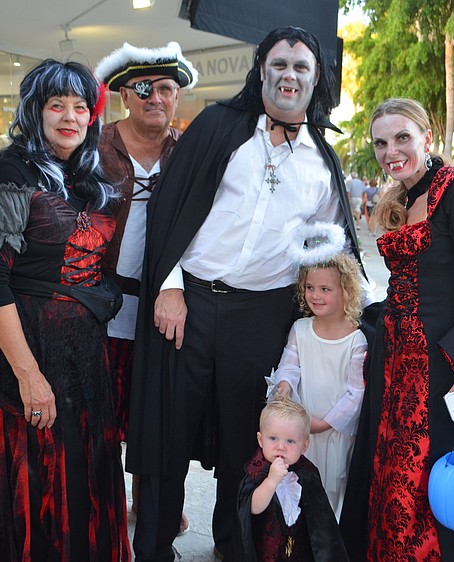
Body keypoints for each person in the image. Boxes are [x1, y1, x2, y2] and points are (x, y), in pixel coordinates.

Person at [126, 26, 366, 562]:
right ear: (262, 71)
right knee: (169, 438)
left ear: (316, 78)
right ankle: (154, 548)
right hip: (187, 305)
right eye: (279, 64)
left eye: (301, 67)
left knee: (248, 443)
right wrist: (167, 286)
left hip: (262, 314)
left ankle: (233, 548)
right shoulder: (217, 127)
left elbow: (336, 250)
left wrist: (361, 314)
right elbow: (167, 210)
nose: (289, 75)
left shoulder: (321, 162)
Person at [0, 59, 129, 561]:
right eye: (57, 105)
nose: (70, 116)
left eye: (81, 106)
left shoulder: (89, 172)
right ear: (35, 111)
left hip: (83, 351)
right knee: (35, 480)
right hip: (26, 346)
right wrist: (29, 376)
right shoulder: (10, 170)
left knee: (86, 471)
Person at [340, 98, 454, 562]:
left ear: (427, 138)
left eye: (402, 138)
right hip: (394, 366)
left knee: (433, 480)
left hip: (441, 367)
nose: (390, 151)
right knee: (390, 474)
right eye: (380, 142)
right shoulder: (405, 196)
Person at [94, 41, 198, 535]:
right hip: (96, 298)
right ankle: (106, 499)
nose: (155, 97)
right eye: (144, 88)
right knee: (100, 407)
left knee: (149, 408)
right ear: (124, 95)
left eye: (166, 89)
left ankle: (144, 499)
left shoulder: (188, 154)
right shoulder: (94, 148)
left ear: (177, 97)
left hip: (161, 302)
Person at [273, 248, 367, 519]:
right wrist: (284, 387)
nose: (315, 295)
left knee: (331, 491)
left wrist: (324, 423)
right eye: (310, 287)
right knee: (298, 487)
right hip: (301, 431)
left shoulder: (355, 340)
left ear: (346, 292)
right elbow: (289, 366)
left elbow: (355, 393)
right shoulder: (300, 329)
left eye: (326, 289)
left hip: (334, 434)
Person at [234, 397, 349, 562]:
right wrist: (271, 481)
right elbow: (252, 507)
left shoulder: (307, 473)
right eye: (273, 438)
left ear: (304, 446)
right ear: (260, 440)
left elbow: (320, 522)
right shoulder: (256, 470)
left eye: (290, 441)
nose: (281, 446)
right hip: (264, 554)